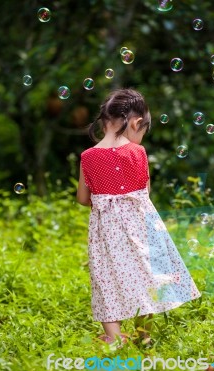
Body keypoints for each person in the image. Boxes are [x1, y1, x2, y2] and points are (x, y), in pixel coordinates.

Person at [77, 88, 201, 348]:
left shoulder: (87, 157)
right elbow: (144, 190)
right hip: (141, 227)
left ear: (103, 121)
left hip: (106, 231)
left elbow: (82, 198)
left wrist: (103, 197)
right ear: (135, 123)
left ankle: (113, 337)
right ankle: (143, 335)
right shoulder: (138, 152)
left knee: (106, 278)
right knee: (146, 276)